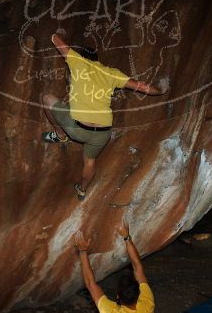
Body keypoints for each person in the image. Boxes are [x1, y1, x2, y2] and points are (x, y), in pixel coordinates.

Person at [41, 28, 167, 200]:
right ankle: (82, 190)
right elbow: (143, 88)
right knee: (90, 161)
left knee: (46, 98)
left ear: (83, 57)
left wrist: (60, 33)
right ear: (97, 60)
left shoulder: (78, 62)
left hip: (77, 128)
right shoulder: (111, 73)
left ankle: (60, 135)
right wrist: (160, 91)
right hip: (102, 133)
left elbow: (55, 39)